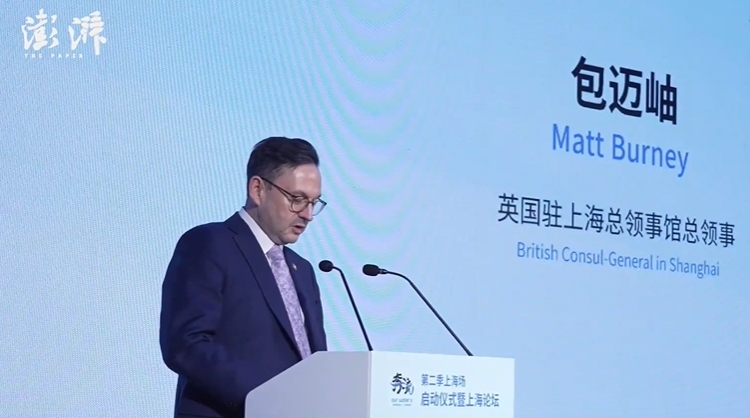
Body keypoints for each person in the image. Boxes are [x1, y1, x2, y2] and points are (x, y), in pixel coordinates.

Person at [159, 136, 328, 418]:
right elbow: (186, 343)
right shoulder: (210, 243)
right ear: (258, 189)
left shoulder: (303, 270)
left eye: (314, 202)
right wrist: (269, 399)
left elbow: (312, 358)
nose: (308, 214)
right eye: (297, 200)